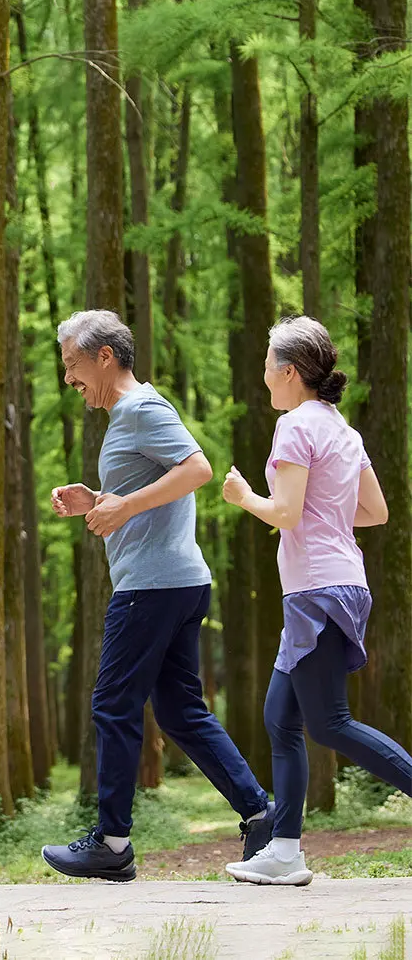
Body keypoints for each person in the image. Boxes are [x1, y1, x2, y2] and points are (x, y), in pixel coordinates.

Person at [41, 309, 272, 883]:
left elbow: (198, 469)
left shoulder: (142, 408)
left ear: (104, 357)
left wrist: (124, 505)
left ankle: (112, 843)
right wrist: (98, 498)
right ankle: (262, 815)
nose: (69, 379)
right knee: (180, 712)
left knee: (113, 704)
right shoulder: (129, 414)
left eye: (73, 365)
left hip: (152, 586)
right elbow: (152, 488)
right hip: (176, 581)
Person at [222, 315, 412, 887]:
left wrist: (243, 496)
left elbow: (283, 512)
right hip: (338, 583)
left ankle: (285, 848)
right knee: (281, 717)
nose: (262, 379)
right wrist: (322, 520)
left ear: (289, 372)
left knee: (327, 723)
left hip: (317, 590)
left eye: (266, 368)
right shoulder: (342, 429)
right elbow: (374, 512)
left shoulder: (295, 427)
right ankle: (285, 849)